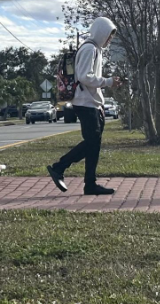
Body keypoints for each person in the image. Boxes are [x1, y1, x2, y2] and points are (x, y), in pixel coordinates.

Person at [46, 16, 123, 195]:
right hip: (85, 103)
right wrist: (108, 81)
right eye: (108, 35)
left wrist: (102, 96)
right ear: (100, 32)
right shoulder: (89, 49)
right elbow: (84, 76)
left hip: (92, 103)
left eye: (111, 36)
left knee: (93, 144)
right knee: (92, 143)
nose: (109, 39)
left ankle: (90, 184)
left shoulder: (95, 49)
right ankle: (60, 167)